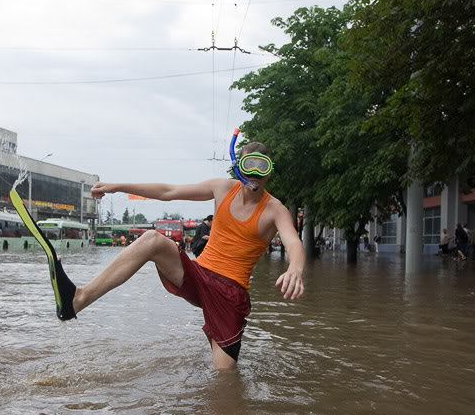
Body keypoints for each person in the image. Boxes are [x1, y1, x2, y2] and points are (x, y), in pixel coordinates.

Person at [21, 140, 305, 370]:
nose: (254, 176)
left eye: (261, 168)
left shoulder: (274, 209)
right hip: (198, 275)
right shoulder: (223, 188)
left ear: (269, 172)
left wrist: (295, 268)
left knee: (224, 381)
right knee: (152, 240)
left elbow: (293, 242)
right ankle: (77, 300)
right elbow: (169, 191)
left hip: (230, 295)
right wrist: (118, 186)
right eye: (248, 166)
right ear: (238, 168)